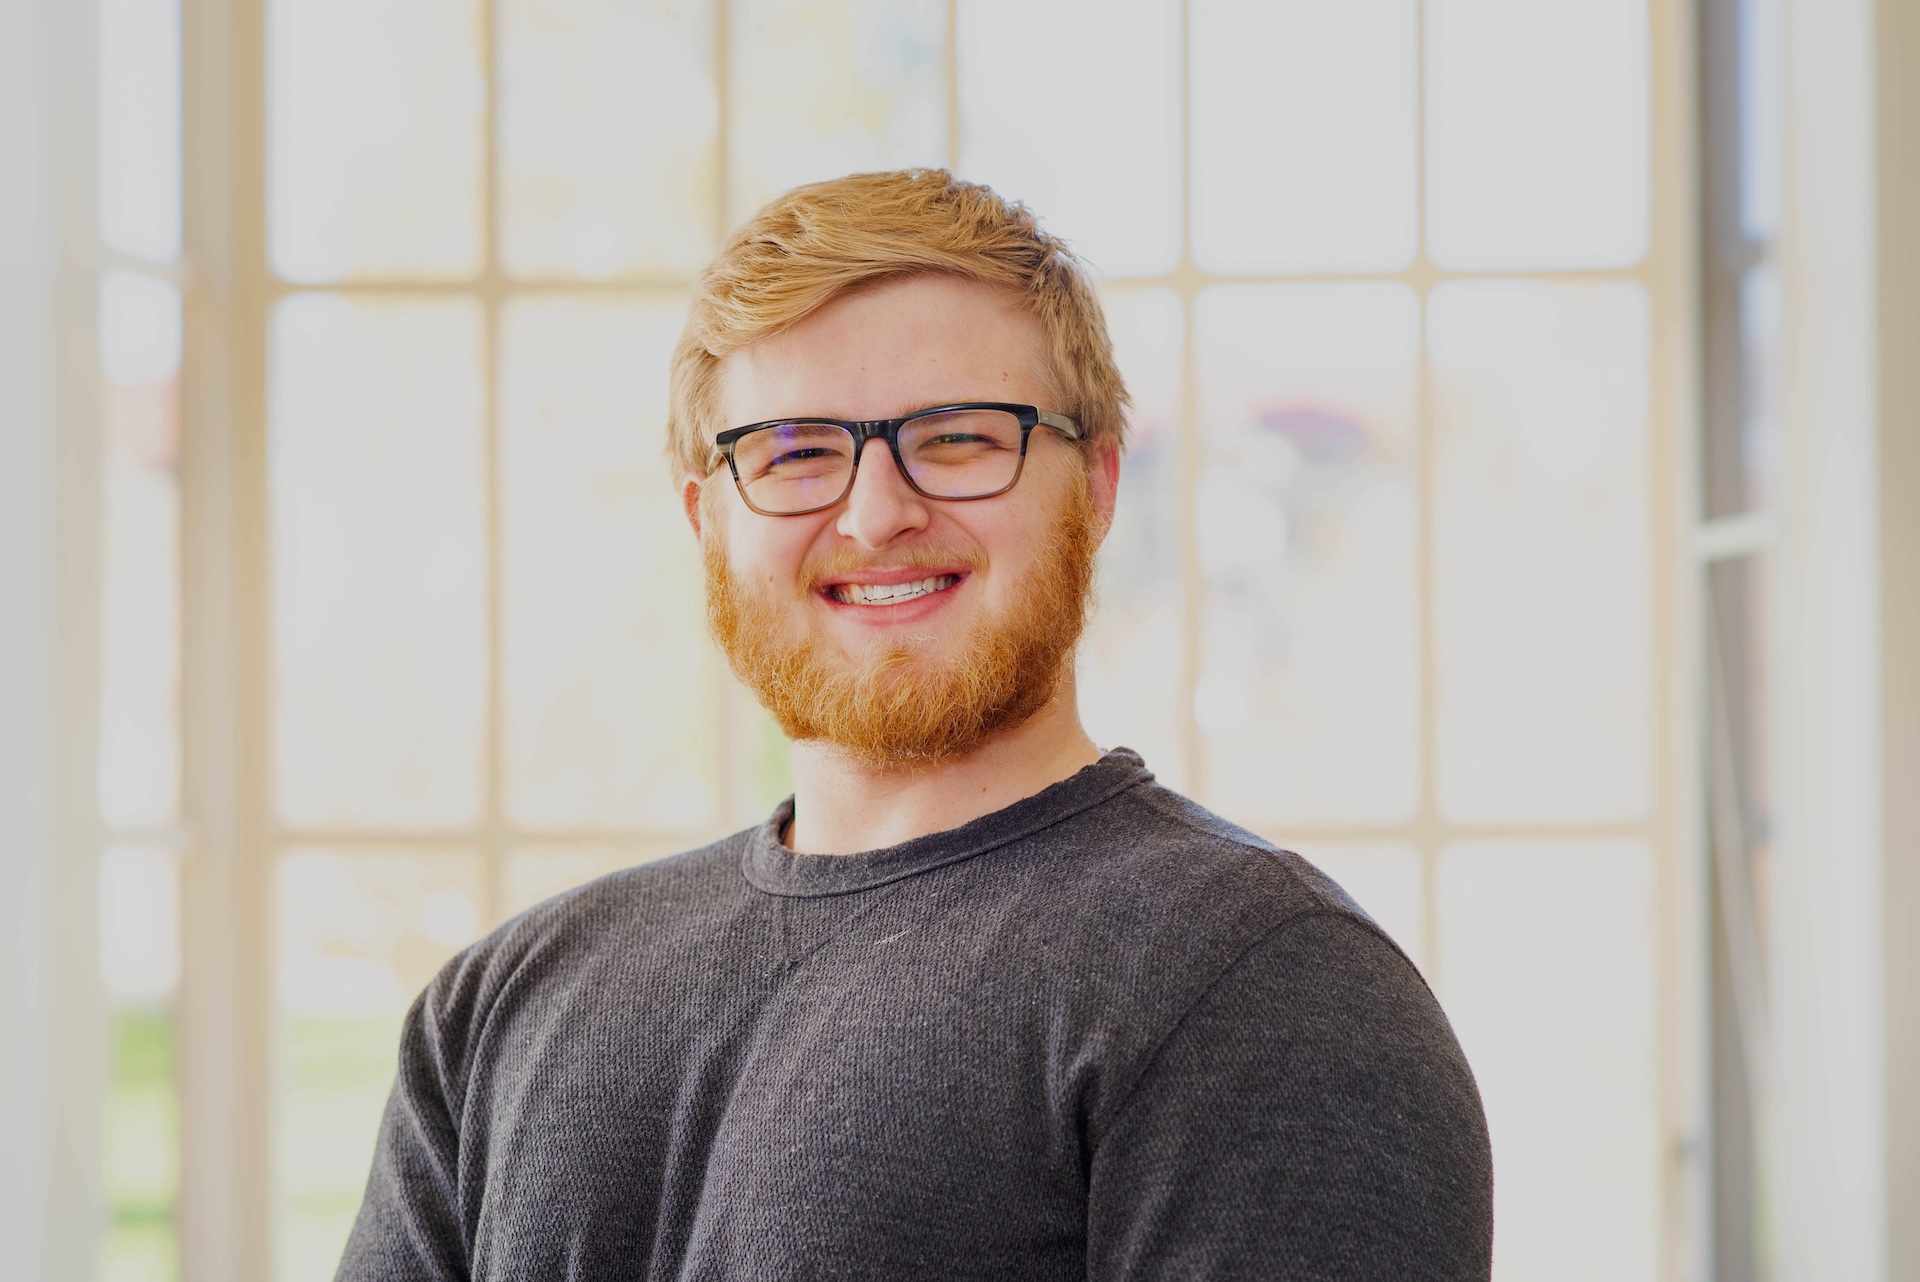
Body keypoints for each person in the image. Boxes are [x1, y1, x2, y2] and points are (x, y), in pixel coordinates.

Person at [336, 169, 1493, 1281]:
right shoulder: (497, 1006)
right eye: (794, 453)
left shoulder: (1262, 987)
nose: (878, 511)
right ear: (707, 520)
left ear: (1093, 486)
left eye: (957, 438)